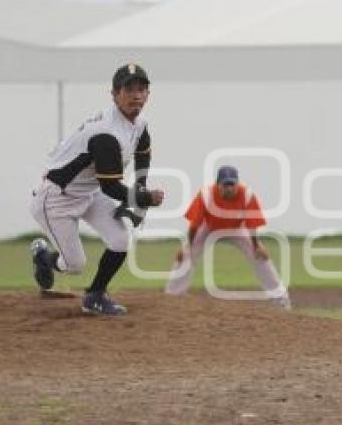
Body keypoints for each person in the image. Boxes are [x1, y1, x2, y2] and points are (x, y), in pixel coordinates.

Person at [30, 63, 165, 316]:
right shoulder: (105, 133)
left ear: (148, 94)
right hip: (57, 198)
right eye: (128, 89)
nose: (136, 95)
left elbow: (142, 152)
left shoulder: (139, 124)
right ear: (114, 94)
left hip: (90, 192)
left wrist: (140, 188)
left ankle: (94, 295)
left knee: (120, 241)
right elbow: (111, 186)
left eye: (141, 89)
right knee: (74, 264)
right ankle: (43, 258)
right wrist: (144, 198)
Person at [165, 165, 291, 309]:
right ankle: (172, 297)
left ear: (237, 184)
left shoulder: (247, 195)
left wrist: (256, 246)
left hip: (236, 228)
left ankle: (281, 299)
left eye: (232, 184)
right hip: (209, 227)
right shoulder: (206, 195)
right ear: (218, 185)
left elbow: (251, 224)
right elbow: (194, 225)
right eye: (226, 185)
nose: (229, 188)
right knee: (186, 255)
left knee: (261, 257)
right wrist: (187, 246)